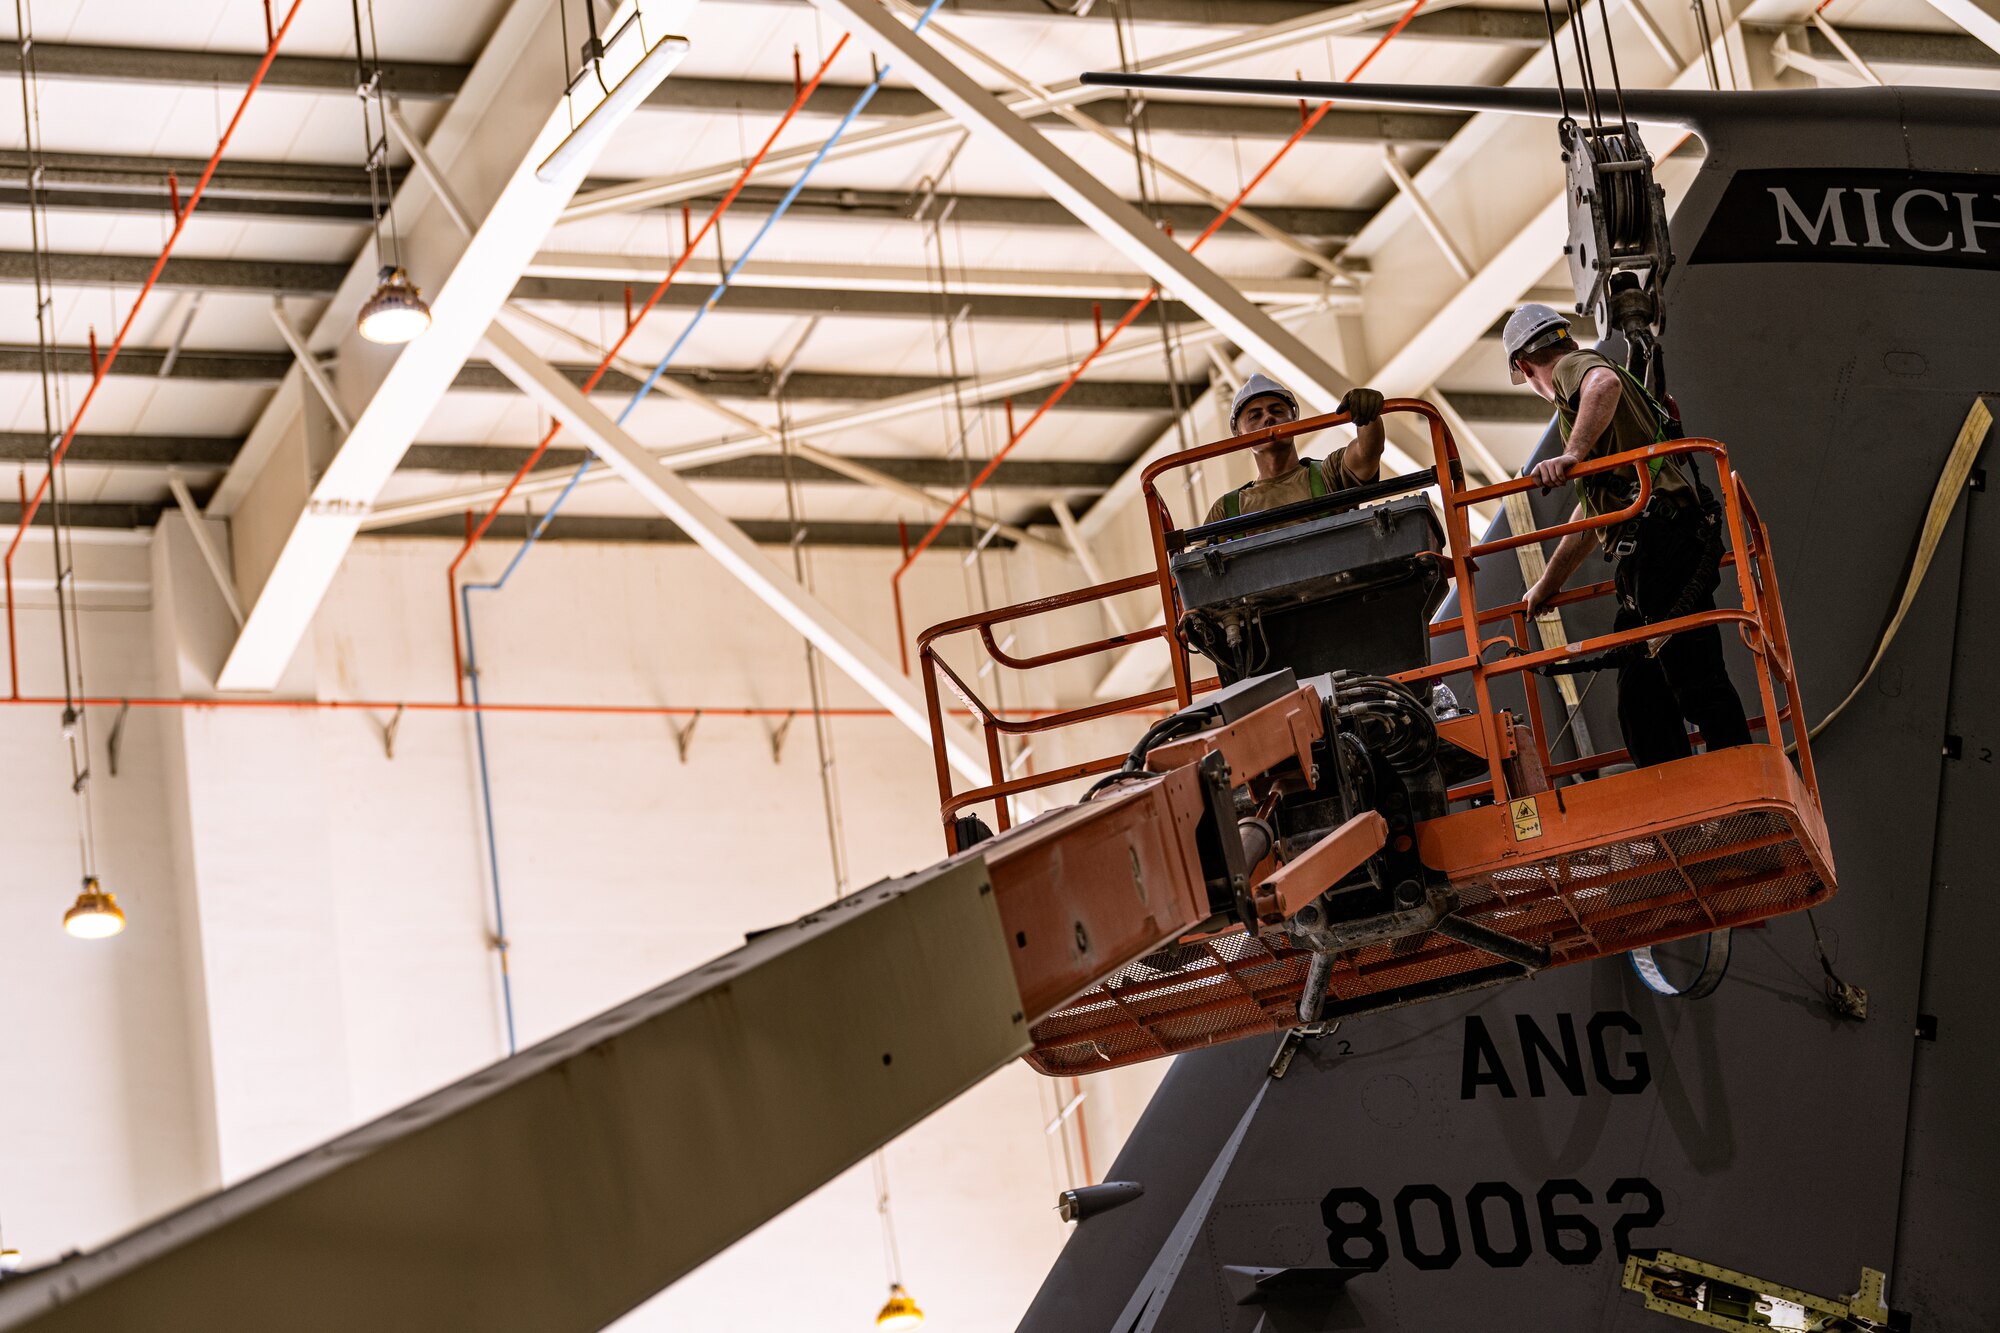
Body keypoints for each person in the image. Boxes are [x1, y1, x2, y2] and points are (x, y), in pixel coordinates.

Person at [1506, 303, 1751, 768]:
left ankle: (1743, 782)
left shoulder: (1572, 371)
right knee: (1641, 698)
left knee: (1695, 679)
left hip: (1662, 540)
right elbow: (1594, 514)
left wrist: (1571, 453)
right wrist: (1547, 585)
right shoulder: (1596, 412)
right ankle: (1678, 806)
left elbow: (1605, 383)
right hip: (1647, 552)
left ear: (1523, 365)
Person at [1201, 373, 1388, 529]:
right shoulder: (1226, 511)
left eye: (1277, 411)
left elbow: (1367, 452)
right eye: (1255, 416)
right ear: (1239, 434)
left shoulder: (1328, 474)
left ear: (1294, 421)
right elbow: (1195, 568)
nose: (1268, 418)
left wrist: (1368, 416)